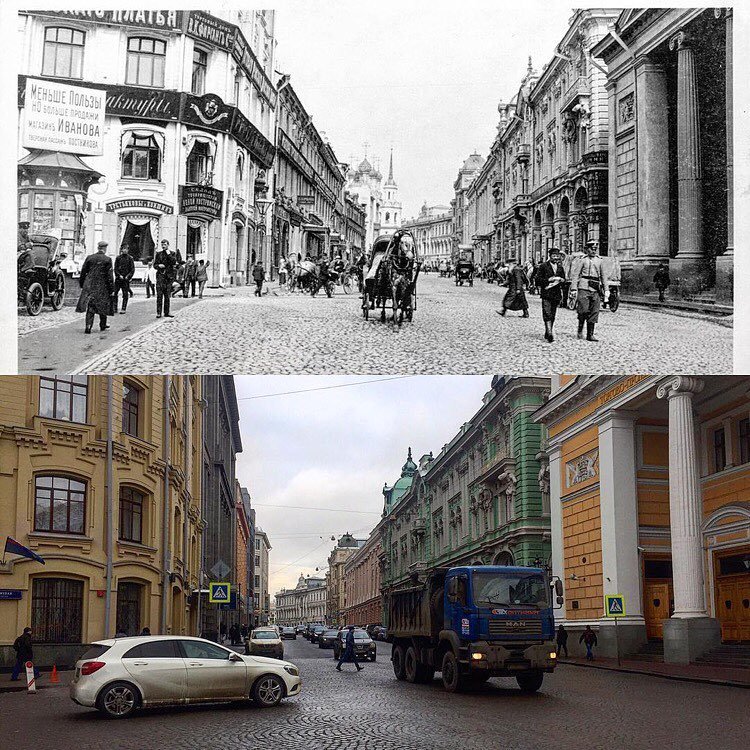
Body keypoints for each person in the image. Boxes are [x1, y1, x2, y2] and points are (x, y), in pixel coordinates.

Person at [570, 241, 606, 341]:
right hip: (584, 287)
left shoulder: (600, 261)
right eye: (591, 249)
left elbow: (603, 276)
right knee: (583, 310)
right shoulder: (582, 260)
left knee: (594, 311)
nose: (593, 251)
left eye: (595, 249)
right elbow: (576, 275)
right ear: (587, 249)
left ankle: (590, 334)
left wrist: (606, 290)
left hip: (595, 288)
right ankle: (580, 329)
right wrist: (573, 288)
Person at [76, 241, 115, 334]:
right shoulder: (107, 259)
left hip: (90, 285)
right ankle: (102, 325)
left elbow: (83, 272)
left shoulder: (90, 258)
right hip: (102, 285)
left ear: (98, 248)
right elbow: (110, 276)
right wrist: (111, 289)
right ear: (105, 248)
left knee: (91, 306)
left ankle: (88, 326)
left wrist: (82, 284)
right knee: (103, 304)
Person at [536, 247, 567, 343]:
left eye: (557, 256)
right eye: (554, 255)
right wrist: (548, 280)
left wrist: (562, 280)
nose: (556, 257)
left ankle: (548, 330)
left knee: (552, 314)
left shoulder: (560, 268)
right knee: (547, 312)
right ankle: (550, 333)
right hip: (546, 293)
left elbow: (564, 281)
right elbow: (537, 280)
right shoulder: (543, 266)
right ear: (550, 256)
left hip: (556, 294)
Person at [154, 239, 179, 318]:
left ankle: (167, 312)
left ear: (168, 245)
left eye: (165, 244)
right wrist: (158, 266)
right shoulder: (158, 254)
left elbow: (174, 262)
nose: (163, 246)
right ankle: (158, 312)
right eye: (162, 244)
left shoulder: (172, 253)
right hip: (160, 277)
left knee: (167, 296)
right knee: (159, 296)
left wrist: (168, 254)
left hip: (168, 278)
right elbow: (155, 265)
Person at [114, 245, 135, 314]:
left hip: (126, 280)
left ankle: (123, 308)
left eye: (126, 249)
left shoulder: (130, 258)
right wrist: (118, 275)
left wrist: (128, 276)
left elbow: (132, 269)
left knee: (125, 294)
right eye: (123, 249)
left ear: (128, 250)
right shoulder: (118, 258)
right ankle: (115, 308)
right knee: (115, 293)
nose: (125, 250)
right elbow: (115, 268)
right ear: (121, 250)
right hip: (118, 279)